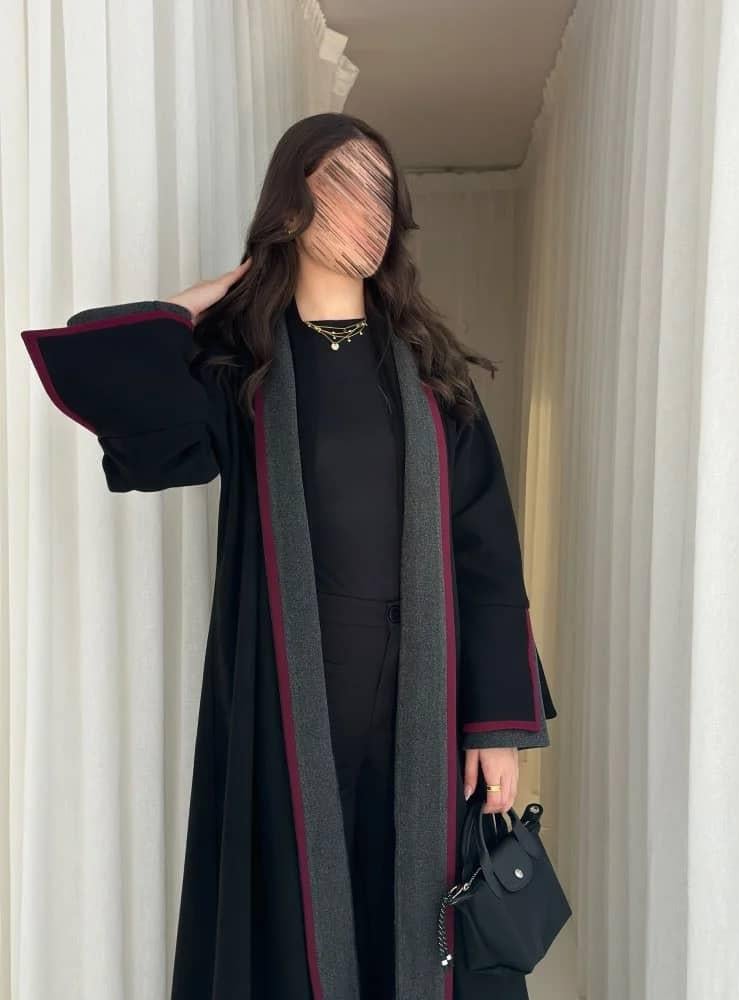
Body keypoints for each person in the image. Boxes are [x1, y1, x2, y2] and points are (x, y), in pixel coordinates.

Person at [21, 111, 558, 1000]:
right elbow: (125, 400)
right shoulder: (245, 369)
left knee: (417, 911)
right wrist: (197, 302)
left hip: (421, 690)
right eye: (345, 185)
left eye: (383, 191)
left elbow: (488, 552)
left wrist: (496, 727)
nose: (371, 210)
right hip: (290, 688)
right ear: (290, 205)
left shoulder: (432, 376)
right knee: (298, 917)